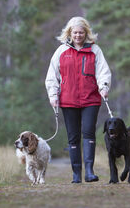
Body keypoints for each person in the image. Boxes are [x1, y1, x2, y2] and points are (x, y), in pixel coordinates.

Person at [45, 17, 111, 183]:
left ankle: (89, 171)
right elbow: (52, 76)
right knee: (73, 137)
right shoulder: (61, 51)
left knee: (88, 132)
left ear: (86, 33)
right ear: (69, 33)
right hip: (68, 100)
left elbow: (103, 71)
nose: (78, 35)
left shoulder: (95, 50)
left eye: (81, 32)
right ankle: (76, 174)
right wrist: (53, 96)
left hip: (91, 99)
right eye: (75, 32)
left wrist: (103, 87)